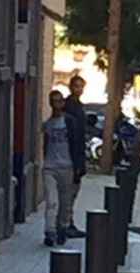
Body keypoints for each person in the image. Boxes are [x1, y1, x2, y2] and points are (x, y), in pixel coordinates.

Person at [42, 91, 82, 247]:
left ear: (63, 103)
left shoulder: (70, 122)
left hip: (67, 167)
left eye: (59, 101)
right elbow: (46, 145)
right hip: (50, 168)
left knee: (65, 203)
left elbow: (77, 144)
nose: (56, 105)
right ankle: (49, 231)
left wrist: (78, 167)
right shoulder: (47, 124)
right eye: (53, 101)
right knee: (52, 201)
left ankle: (62, 227)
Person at [63, 76, 88, 238]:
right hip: (71, 154)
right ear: (71, 87)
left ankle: (68, 221)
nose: (79, 89)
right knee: (69, 191)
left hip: (78, 153)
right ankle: (66, 223)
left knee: (73, 190)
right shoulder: (69, 107)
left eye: (81, 86)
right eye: (76, 86)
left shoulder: (78, 106)